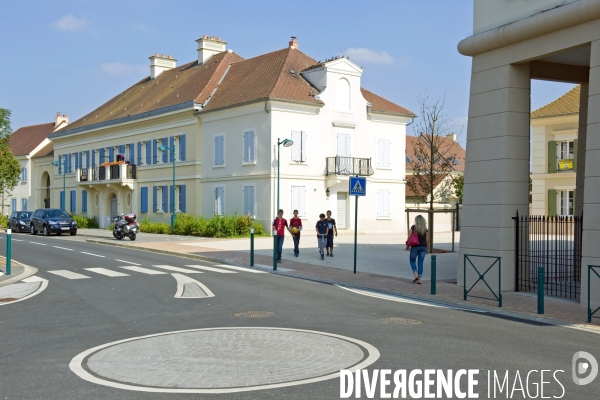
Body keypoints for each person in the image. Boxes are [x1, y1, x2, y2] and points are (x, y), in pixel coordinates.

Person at [407, 215, 428, 284]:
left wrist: (407, 246)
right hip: (423, 247)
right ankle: (420, 280)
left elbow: (409, 237)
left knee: (412, 260)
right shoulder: (425, 229)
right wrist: (427, 248)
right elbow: (427, 240)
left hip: (415, 247)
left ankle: (415, 274)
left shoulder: (413, 227)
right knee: (420, 263)